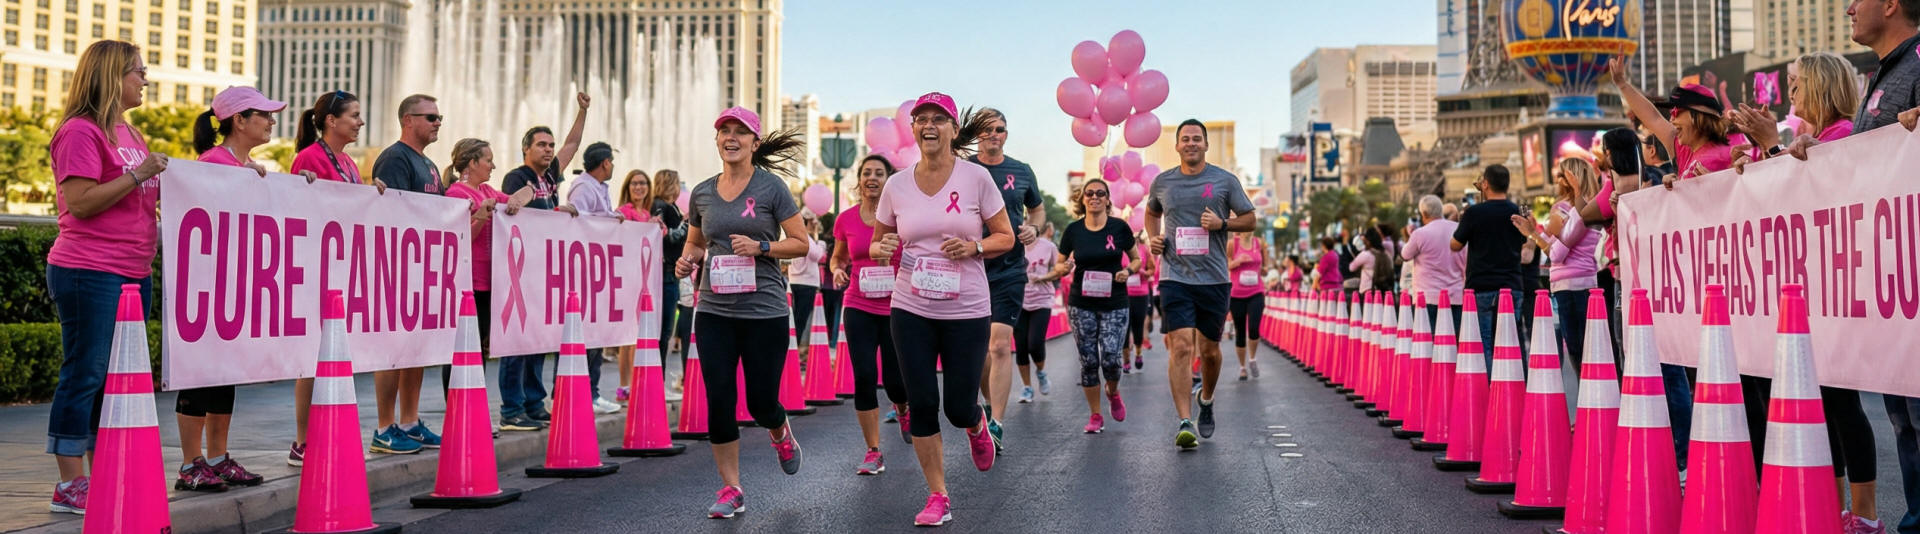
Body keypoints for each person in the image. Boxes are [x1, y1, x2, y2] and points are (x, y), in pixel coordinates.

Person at [868, 92, 1014, 526]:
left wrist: (974, 247)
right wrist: (883, 248)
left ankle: (975, 423)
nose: (928, 126)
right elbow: (877, 242)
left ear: (953, 129)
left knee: (957, 406)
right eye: (921, 119)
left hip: (966, 308)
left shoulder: (976, 178)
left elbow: (1005, 236)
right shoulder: (896, 185)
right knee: (922, 402)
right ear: (913, 129)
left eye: (938, 119)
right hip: (910, 305)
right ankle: (938, 495)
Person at [44, 40, 170, 514]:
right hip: (89, 270)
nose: (145, 79)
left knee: (116, 379)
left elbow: (141, 197)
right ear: (112, 76)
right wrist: (140, 175)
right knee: (86, 373)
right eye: (138, 71)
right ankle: (69, 482)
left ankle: (103, 475)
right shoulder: (80, 131)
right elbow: (80, 203)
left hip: (134, 272)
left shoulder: (131, 133)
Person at [674, 106, 811, 519]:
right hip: (714, 309)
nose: (731, 137)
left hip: (764, 311)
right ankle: (731, 488)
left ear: (754, 142)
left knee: (761, 401)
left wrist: (762, 247)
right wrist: (687, 260)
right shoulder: (703, 193)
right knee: (719, 399)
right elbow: (696, 243)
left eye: (740, 132)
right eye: (724, 131)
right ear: (717, 140)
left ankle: (779, 430)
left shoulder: (772, 188)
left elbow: (801, 243)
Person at [170, 86, 289, 492]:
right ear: (238, 120)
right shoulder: (212, 163)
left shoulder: (248, 167)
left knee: (225, 371)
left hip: (234, 286)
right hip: (207, 287)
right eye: (264, 115)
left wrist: (299, 186)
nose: (271, 121)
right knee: (200, 370)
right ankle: (191, 463)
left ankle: (218, 457)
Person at [1143, 119, 1256, 450]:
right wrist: (1153, 238)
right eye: (1185, 139)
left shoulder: (1224, 180)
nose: (1191, 143)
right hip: (1174, 277)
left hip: (1214, 279)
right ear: (1177, 146)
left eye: (1196, 139)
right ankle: (1184, 420)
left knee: (1209, 351)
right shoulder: (1163, 182)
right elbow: (1151, 213)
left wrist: (1222, 223)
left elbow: (1250, 219)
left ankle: (1205, 399)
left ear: (1205, 145)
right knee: (1180, 346)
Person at [495, 92, 591, 431]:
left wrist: (582, 110)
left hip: (544, 270)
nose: (549, 150)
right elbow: (513, 210)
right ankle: (512, 409)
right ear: (526, 149)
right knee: (518, 340)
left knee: (538, 339)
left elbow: (572, 145)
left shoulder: (549, 177)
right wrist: (550, 209)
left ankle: (534, 403)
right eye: (541, 145)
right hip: (520, 271)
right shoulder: (516, 177)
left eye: (550, 145)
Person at [286, 90, 371, 464]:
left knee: (334, 355)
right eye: (354, 115)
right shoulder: (309, 157)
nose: (360, 122)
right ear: (331, 121)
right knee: (311, 356)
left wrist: (374, 195)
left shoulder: (349, 162)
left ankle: (327, 433)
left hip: (341, 269)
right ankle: (302, 441)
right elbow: (296, 208)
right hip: (316, 268)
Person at [366, 93, 446, 454]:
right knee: (392, 350)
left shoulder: (429, 165)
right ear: (408, 120)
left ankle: (410, 423)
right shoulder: (395, 158)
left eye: (439, 117)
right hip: (398, 268)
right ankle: (385, 427)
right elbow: (391, 214)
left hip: (424, 270)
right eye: (430, 117)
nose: (437, 122)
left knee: (416, 350)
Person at [829, 154, 912, 476]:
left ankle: (902, 408)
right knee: (863, 376)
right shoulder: (846, 219)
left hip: (896, 305)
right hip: (858, 303)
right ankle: (873, 450)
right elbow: (838, 258)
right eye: (867, 173)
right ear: (860, 179)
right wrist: (837, 270)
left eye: (879, 173)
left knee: (895, 380)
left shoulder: (903, 217)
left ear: (889, 180)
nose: (872, 178)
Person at [966, 108, 1045, 449]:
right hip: (970, 267)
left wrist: (1034, 228)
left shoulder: (1021, 170)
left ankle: (996, 423)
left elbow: (1036, 208)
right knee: (978, 348)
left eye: (999, 129)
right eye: (986, 130)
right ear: (977, 135)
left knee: (999, 345)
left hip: (1010, 268)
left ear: (1006, 135)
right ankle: (986, 404)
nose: (993, 135)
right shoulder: (963, 168)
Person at [443, 138, 520, 430]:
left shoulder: (487, 191)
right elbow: (459, 238)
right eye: (488, 160)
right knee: (461, 350)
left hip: (489, 282)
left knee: (481, 349)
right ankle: (457, 416)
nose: (493, 165)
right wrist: (480, 215)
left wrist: (517, 200)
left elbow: (517, 198)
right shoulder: (455, 193)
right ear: (472, 162)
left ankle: (473, 413)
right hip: (466, 282)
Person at [1052, 178, 1136, 434]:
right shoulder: (1073, 231)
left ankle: (1113, 392)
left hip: (1115, 302)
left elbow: (1136, 260)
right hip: (1082, 303)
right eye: (1089, 193)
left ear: (1108, 199)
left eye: (1100, 193)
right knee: (1088, 361)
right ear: (1083, 198)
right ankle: (1095, 415)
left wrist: (1128, 271)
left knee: (1111, 358)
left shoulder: (1119, 228)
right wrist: (1064, 267)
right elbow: (1059, 264)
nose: (1095, 197)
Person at [1511, 157, 1602, 367]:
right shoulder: (1592, 207)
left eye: (1562, 175)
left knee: (1578, 349)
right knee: (1587, 349)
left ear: (1573, 179)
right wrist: (1534, 234)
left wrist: (1532, 234)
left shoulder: (1567, 209)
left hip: (1571, 285)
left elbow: (1555, 254)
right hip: (1583, 281)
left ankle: (1584, 387)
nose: (1557, 180)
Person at [1607, 57, 1735, 181]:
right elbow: (1653, 118)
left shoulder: (1720, 159)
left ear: (1697, 117)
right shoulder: (1684, 149)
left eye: (1676, 112)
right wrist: (1622, 84)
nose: (1671, 119)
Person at [565, 141, 623, 415]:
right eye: (612, 161)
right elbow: (578, 223)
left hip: (597, 272)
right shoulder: (583, 188)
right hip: (583, 273)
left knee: (596, 336)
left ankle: (593, 392)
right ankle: (581, 393)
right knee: (584, 337)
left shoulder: (599, 187)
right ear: (605, 163)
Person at [1731, 52, 1861, 171]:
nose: (1791, 94)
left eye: (1796, 86)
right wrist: (1755, 162)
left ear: (1819, 90)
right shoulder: (1822, 132)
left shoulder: (1843, 131)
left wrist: (1770, 140)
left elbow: (1794, 177)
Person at [1450, 165, 1526, 364]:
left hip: (1481, 286)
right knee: (1513, 340)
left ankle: (1490, 382)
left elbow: (1455, 245)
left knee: (1485, 342)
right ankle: (1519, 380)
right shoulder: (1518, 211)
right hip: (1512, 284)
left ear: (1484, 184)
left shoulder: (1473, 213)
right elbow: (1525, 241)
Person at [615, 169, 654, 404]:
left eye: (643, 183)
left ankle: (634, 385)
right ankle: (624, 386)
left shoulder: (646, 214)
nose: (639, 187)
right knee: (627, 336)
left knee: (638, 335)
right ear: (627, 188)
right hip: (627, 277)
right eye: (634, 183)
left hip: (645, 280)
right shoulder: (624, 212)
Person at [649, 169, 689, 392]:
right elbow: (666, 236)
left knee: (665, 333)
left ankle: (659, 383)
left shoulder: (667, 206)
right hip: (664, 272)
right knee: (662, 333)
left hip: (670, 272)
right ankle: (657, 384)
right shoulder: (660, 206)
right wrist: (686, 224)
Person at [1402, 194, 1465, 330]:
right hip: (1456, 296)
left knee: (1427, 340)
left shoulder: (1420, 234)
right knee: (1453, 339)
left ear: (1424, 213)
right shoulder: (1460, 230)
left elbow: (1405, 255)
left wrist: (1411, 235)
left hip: (1428, 298)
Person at [1016, 221, 1059, 403]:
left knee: (1034, 344)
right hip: (1018, 301)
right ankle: (1027, 387)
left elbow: (1059, 269)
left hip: (1042, 300)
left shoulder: (1048, 246)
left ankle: (1041, 372)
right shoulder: (1013, 245)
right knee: (1021, 347)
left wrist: (1042, 277)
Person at [1226, 230, 1267, 380]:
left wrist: (1264, 270)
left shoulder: (1259, 243)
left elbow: (1265, 267)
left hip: (1256, 291)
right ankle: (1242, 367)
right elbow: (1227, 265)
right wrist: (1238, 261)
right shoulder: (1232, 244)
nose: (1250, 229)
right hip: (1237, 294)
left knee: (1254, 328)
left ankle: (1252, 359)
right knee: (1240, 331)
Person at [788, 211, 827, 348]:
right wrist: (821, 244)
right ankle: (794, 349)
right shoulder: (806, 238)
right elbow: (817, 256)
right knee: (800, 320)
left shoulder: (793, 237)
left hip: (794, 281)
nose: (814, 224)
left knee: (795, 318)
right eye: (812, 222)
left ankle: (793, 348)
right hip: (807, 283)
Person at [1123, 238, 1158, 372]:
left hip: (1141, 294)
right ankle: (1126, 359)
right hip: (1123, 294)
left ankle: (1138, 353)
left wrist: (1143, 272)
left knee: (1138, 325)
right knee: (1124, 327)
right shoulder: (1120, 249)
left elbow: (1152, 270)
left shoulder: (1144, 249)